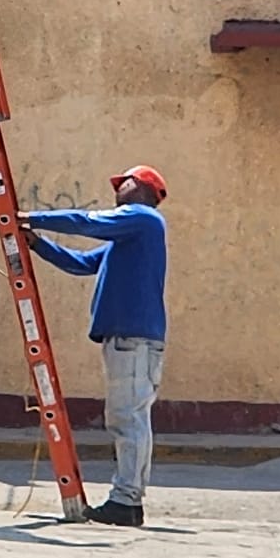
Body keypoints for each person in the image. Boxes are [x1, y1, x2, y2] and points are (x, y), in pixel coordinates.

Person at [18, 165, 169, 528]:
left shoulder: (143, 219)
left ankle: (126, 500)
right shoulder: (128, 239)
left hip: (133, 341)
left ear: (143, 188)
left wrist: (31, 218)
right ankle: (128, 499)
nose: (118, 188)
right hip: (128, 341)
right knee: (128, 418)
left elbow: (87, 222)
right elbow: (82, 263)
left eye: (125, 182)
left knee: (128, 419)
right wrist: (38, 245)